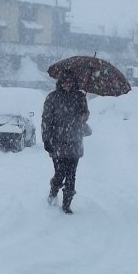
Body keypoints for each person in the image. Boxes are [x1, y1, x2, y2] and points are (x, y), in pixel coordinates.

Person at [41, 70, 90, 214]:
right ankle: (53, 191)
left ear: (74, 83)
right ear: (60, 82)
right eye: (64, 81)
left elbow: (86, 113)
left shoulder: (80, 96)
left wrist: (84, 116)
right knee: (60, 173)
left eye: (70, 82)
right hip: (57, 142)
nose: (67, 85)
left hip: (75, 141)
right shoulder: (52, 98)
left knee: (71, 174)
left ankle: (66, 204)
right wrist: (46, 139)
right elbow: (46, 120)